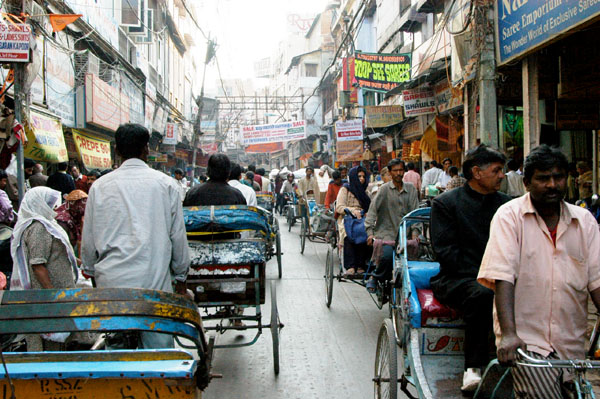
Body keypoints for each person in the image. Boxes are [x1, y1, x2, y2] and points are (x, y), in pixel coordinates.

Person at [477, 145, 600, 399]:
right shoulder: (509, 217)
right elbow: (503, 277)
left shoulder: (584, 221)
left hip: (572, 343)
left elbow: (597, 281)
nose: (552, 185)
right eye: (543, 178)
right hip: (527, 342)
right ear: (527, 182)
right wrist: (510, 335)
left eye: (558, 177)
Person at [81, 124, 190, 349]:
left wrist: (91, 272)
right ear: (146, 150)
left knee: (116, 356)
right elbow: (177, 237)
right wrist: (180, 278)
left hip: (111, 286)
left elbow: (89, 238)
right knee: (159, 357)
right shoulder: (166, 185)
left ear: (117, 152)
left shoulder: (99, 187)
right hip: (154, 285)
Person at [429, 144, 510, 392]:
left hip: (501, 277)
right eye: (496, 170)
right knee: (482, 294)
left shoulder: (508, 206)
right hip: (457, 279)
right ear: (476, 172)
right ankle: (472, 367)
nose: (502, 175)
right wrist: (487, 276)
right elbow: (445, 252)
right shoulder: (446, 204)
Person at [10, 187, 78, 351]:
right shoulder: (39, 228)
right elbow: (38, 265)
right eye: (49, 204)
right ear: (39, 204)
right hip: (47, 296)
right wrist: (51, 294)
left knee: (55, 342)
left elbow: (56, 254)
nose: (54, 208)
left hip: (53, 295)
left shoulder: (46, 225)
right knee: (49, 345)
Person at [365, 159, 419, 291]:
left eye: (401, 170)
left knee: (415, 262)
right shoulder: (384, 190)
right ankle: (375, 277)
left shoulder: (411, 189)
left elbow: (415, 214)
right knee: (388, 257)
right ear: (390, 172)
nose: (399, 173)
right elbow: (372, 212)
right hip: (386, 235)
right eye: (395, 171)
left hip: (405, 236)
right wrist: (370, 233)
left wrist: (415, 234)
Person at [335, 166, 371, 275]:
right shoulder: (345, 189)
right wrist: (352, 210)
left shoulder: (366, 191)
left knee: (367, 232)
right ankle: (350, 266)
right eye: (359, 176)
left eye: (363, 176)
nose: (362, 179)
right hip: (346, 218)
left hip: (362, 218)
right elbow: (339, 207)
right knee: (348, 234)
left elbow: (370, 207)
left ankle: (361, 264)